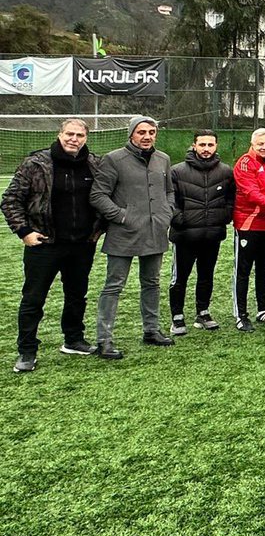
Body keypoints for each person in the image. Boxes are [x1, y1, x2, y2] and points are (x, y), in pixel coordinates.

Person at [4, 118, 103, 372]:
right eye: (69, 134)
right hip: (44, 244)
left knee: (76, 296)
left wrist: (98, 230)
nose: (74, 139)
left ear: (86, 138)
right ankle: (27, 351)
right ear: (60, 135)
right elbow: (11, 200)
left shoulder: (94, 164)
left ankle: (73, 340)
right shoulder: (35, 163)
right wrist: (24, 231)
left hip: (81, 244)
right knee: (33, 299)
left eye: (80, 135)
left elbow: (104, 199)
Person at [90, 116, 175, 359]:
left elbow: (169, 191)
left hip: (155, 230)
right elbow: (98, 195)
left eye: (151, 132)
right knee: (114, 285)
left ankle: (151, 330)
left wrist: (166, 213)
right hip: (123, 232)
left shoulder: (163, 159)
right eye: (141, 132)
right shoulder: (114, 159)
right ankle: (104, 340)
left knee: (152, 282)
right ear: (131, 134)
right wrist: (122, 216)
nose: (147, 136)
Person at [168, 130, 235, 335]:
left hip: (212, 235)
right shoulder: (177, 171)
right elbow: (169, 201)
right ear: (194, 145)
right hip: (185, 237)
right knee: (180, 278)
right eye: (202, 145)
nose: (206, 149)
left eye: (210, 145)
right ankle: (177, 317)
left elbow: (231, 199)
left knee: (206, 276)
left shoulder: (225, 171)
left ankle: (203, 312)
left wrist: (223, 217)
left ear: (216, 146)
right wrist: (182, 220)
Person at [231, 128, 265, 331]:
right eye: (260, 144)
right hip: (248, 224)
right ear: (253, 144)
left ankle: (263, 309)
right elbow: (251, 193)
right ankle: (241, 314)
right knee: (243, 270)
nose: (264, 147)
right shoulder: (245, 162)